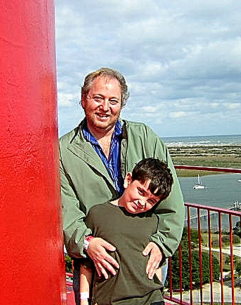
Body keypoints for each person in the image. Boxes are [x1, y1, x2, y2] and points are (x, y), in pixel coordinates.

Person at [59, 67, 184, 304]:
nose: (105, 107)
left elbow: (171, 199)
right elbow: (66, 210)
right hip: (97, 268)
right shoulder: (64, 151)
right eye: (98, 98)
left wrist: (162, 243)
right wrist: (87, 242)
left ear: (121, 105)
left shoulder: (145, 137)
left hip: (145, 261)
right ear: (83, 99)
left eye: (113, 101)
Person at [79, 158, 173, 305]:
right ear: (128, 180)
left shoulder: (153, 220)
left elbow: (156, 263)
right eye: (141, 191)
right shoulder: (97, 214)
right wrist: (84, 299)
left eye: (152, 201)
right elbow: (86, 264)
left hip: (151, 299)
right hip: (109, 300)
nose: (142, 202)